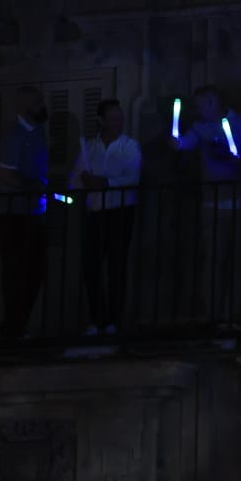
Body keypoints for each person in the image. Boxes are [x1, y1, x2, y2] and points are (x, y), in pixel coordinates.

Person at [173, 86, 241, 325]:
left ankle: (232, 314)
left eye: (199, 105)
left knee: (237, 262)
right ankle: (212, 315)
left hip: (237, 204)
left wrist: (235, 159)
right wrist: (175, 140)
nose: (197, 110)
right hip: (211, 204)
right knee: (213, 262)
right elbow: (182, 144)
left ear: (212, 103)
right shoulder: (200, 127)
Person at [72, 99, 142, 336]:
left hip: (120, 212)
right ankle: (96, 318)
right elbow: (75, 180)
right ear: (101, 121)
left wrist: (104, 182)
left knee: (116, 267)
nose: (118, 123)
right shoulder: (89, 147)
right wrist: (84, 181)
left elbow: (133, 178)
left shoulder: (130, 146)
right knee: (92, 267)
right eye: (113, 119)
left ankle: (113, 320)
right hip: (95, 213)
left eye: (120, 118)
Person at [0, 86, 51, 339]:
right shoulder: (14, 136)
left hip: (34, 213)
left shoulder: (39, 132)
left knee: (33, 273)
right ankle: (12, 329)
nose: (42, 105)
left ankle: (18, 327)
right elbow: (6, 174)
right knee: (17, 273)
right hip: (14, 216)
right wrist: (34, 186)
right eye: (37, 102)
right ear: (23, 107)